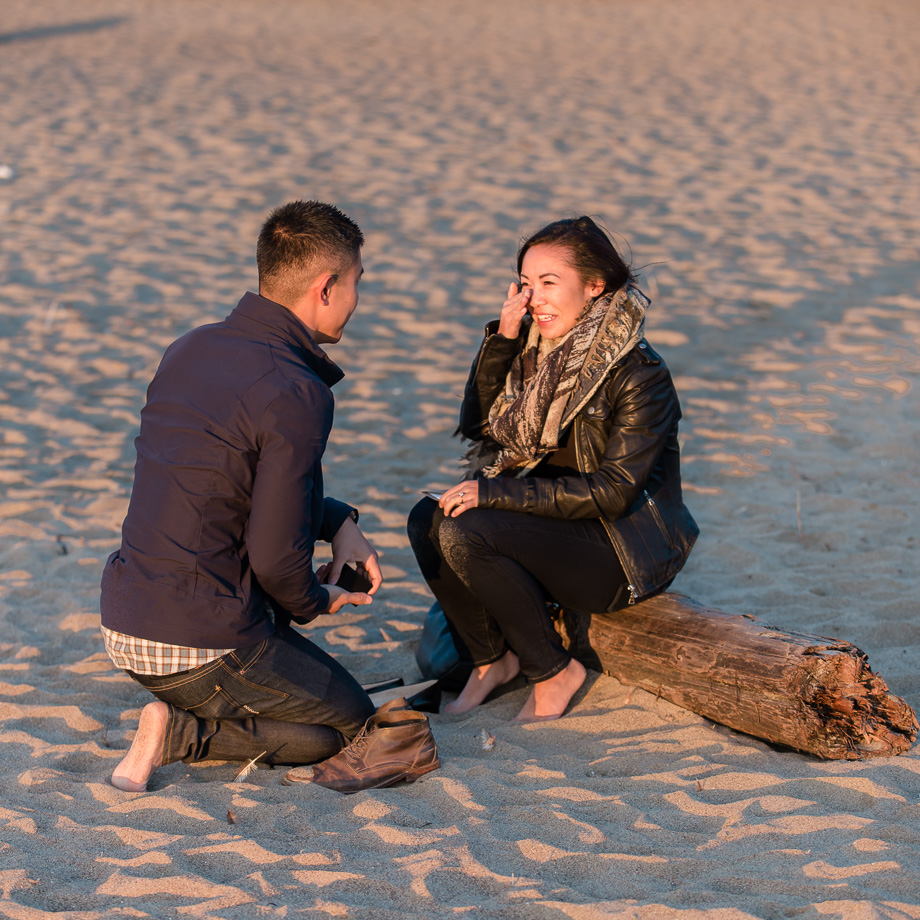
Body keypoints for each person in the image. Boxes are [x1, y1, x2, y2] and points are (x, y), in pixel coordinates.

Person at [101, 200, 383, 792]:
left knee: (313, 726)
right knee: (357, 725)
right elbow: (277, 558)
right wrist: (318, 601)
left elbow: (221, 482)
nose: (358, 300)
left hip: (127, 621)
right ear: (325, 286)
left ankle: (182, 721)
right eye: (358, 283)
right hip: (201, 638)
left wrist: (339, 522)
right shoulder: (297, 390)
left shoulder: (190, 347)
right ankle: (180, 734)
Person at [408, 216, 699, 722]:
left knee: (467, 527)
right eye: (525, 285)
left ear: (593, 286)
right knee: (426, 517)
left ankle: (552, 671)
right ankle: (492, 662)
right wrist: (502, 339)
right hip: (554, 528)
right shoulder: (534, 352)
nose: (535, 298)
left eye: (548, 283)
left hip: (619, 548)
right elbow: (479, 429)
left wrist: (495, 496)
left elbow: (613, 493)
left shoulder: (639, 374)